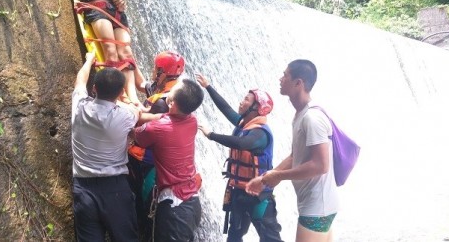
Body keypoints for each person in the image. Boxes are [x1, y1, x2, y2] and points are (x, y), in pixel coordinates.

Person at [246, 59, 339, 242]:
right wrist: (267, 178)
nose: (281, 79)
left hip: (317, 208)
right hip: (318, 206)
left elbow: (321, 165)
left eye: (285, 75)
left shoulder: (312, 118)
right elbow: (296, 156)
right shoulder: (301, 115)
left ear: (299, 83)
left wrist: (279, 176)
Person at [195, 73, 283, 242]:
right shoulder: (244, 124)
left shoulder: (260, 133)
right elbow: (226, 109)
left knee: (270, 238)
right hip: (239, 192)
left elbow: (242, 144)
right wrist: (208, 86)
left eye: (246, 100)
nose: (241, 102)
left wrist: (211, 135)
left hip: (258, 195)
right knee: (234, 236)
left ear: (256, 108)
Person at [70, 52, 140, 242]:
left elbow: (79, 81)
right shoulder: (125, 116)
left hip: (83, 189)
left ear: (94, 89)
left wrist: (89, 60)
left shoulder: (79, 106)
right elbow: (137, 111)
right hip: (115, 188)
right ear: (119, 94)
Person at [133, 79, 204, 242]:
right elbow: (166, 119)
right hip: (192, 202)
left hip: (175, 208)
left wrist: (133, 114)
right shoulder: (192, 121)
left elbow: (136, 135)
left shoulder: (157, 127)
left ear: (171, 103)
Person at [128, 50, 186, 241]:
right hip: (148, 160)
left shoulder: (163, 103)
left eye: (156, 69)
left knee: (138, 202)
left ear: (164, 73)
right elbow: (141, 84)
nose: (153, 72)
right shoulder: (167, 89)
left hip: (146, 161)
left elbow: (139, 125)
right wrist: (131, 63)